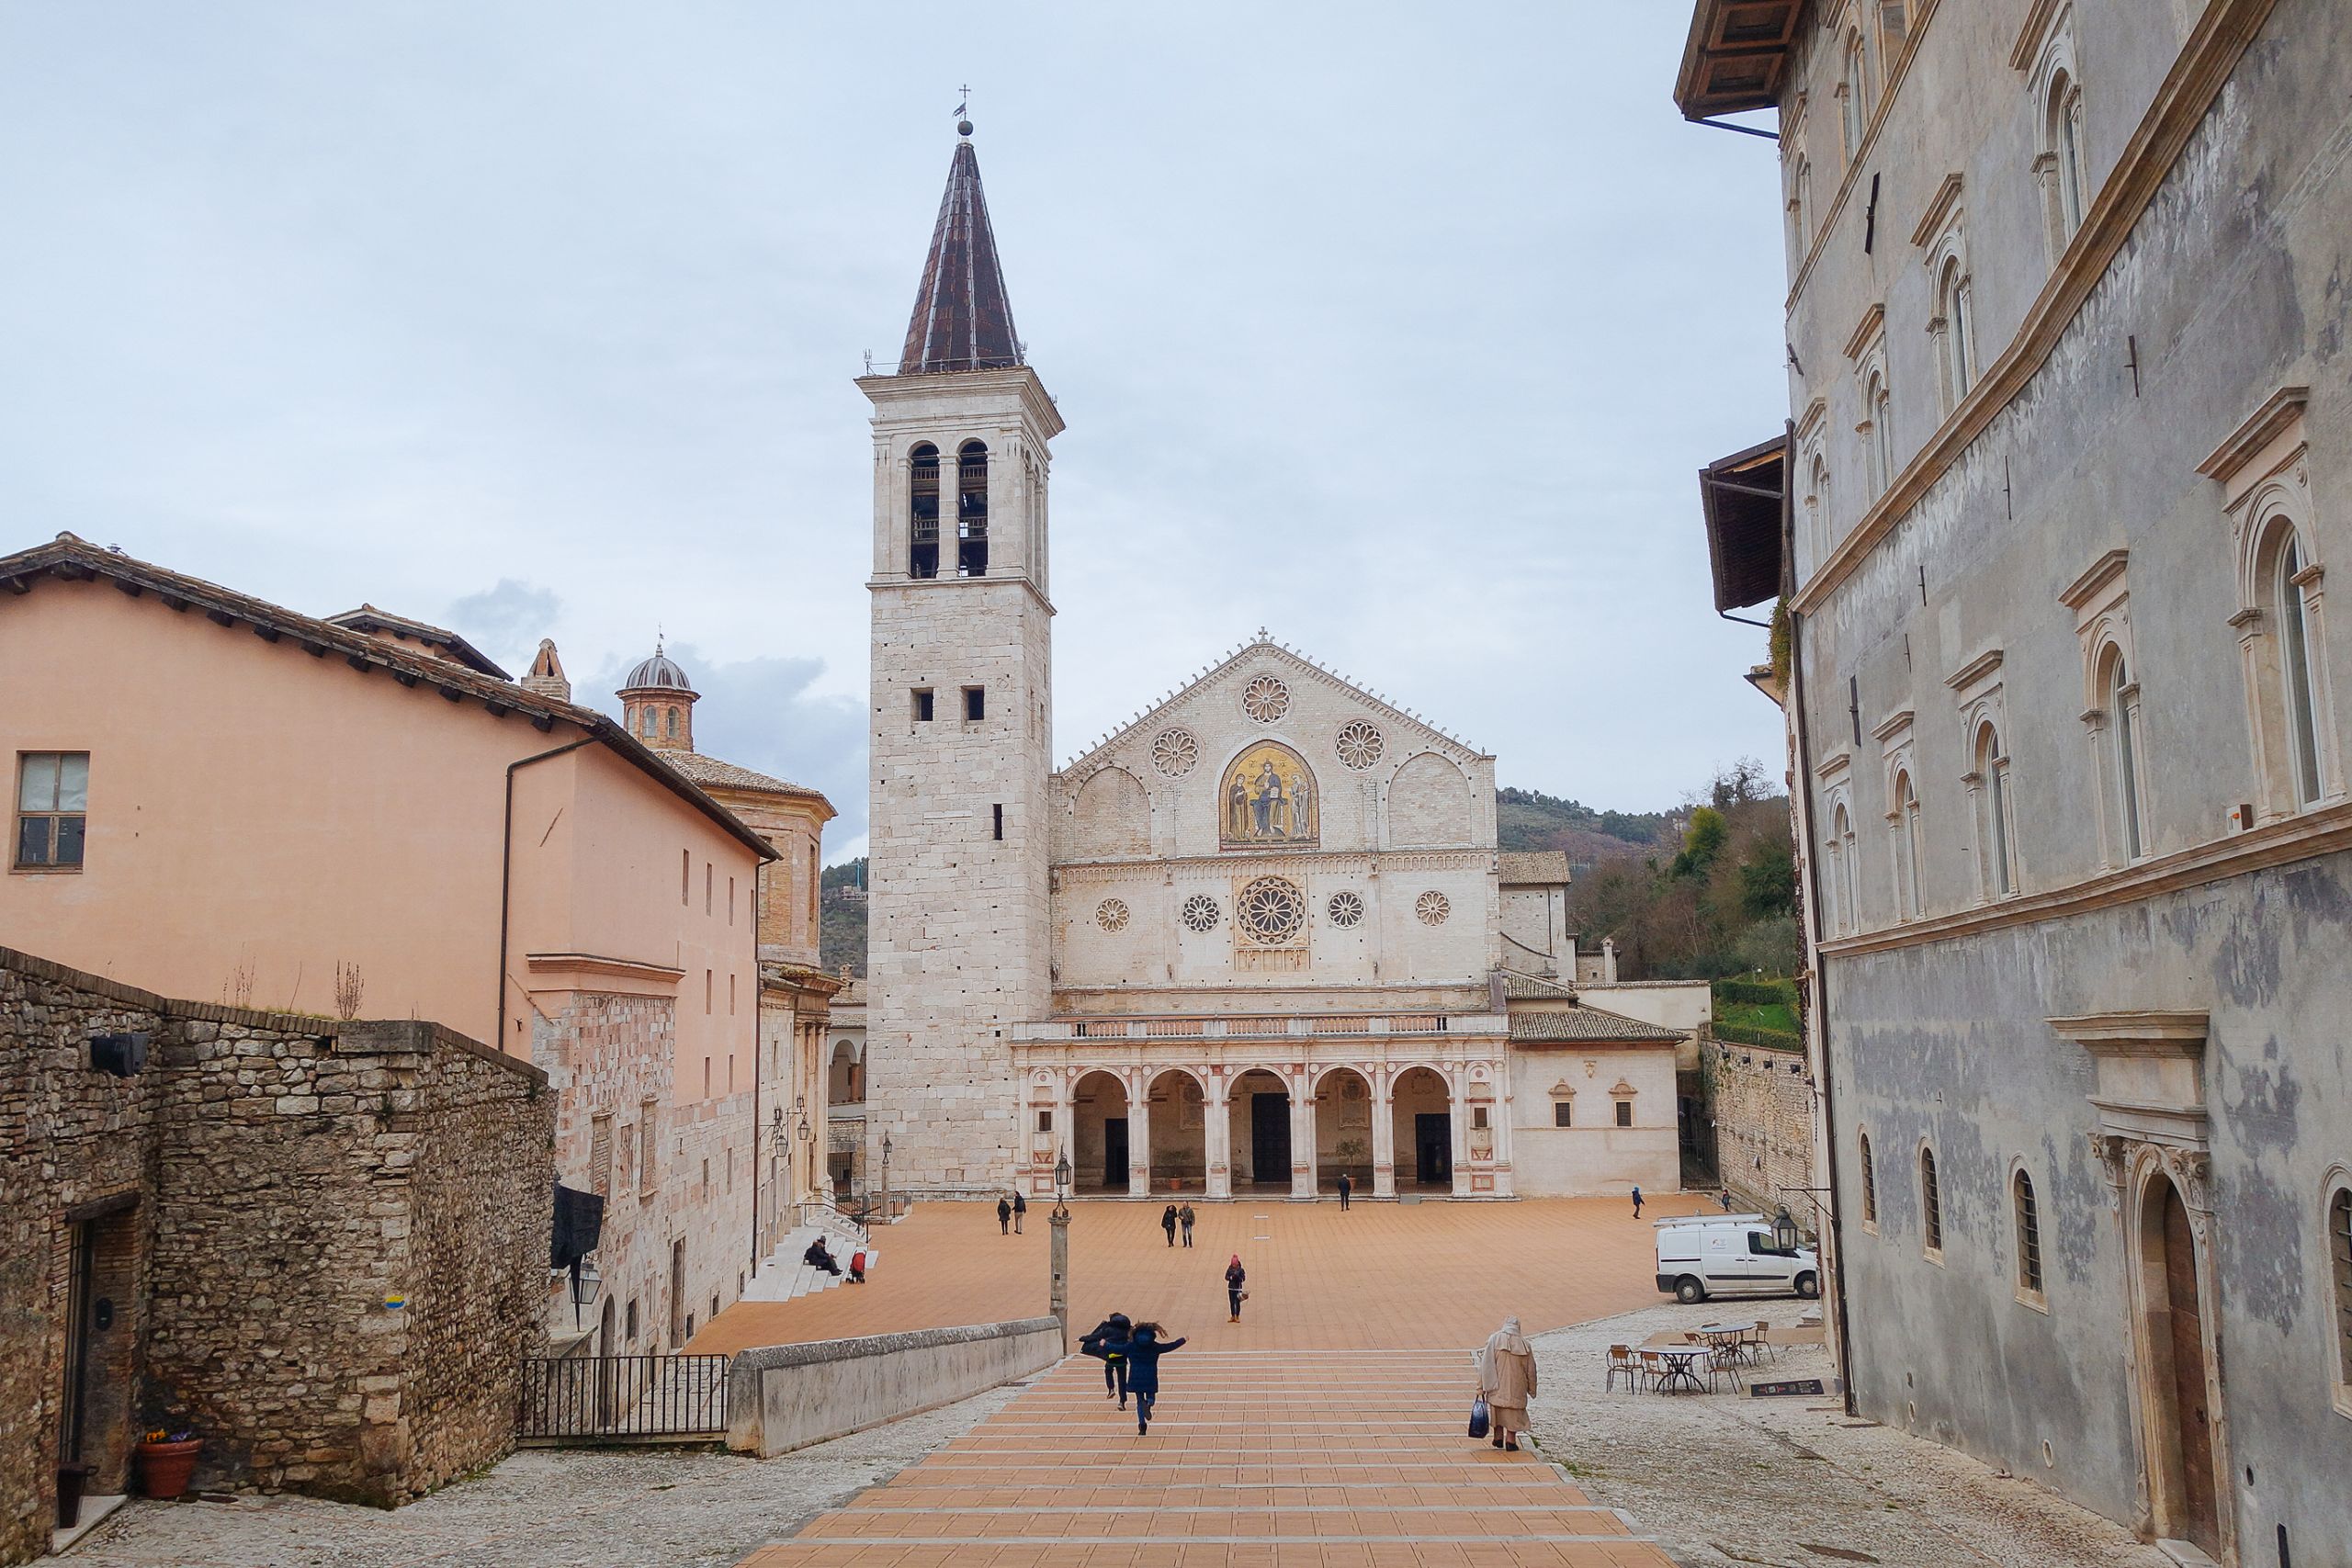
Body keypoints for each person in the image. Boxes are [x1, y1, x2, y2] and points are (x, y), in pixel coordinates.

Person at [1103, 1322, 1187, 1436]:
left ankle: (1142, 1427)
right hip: (1150, 1376)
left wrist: (1105, 1344)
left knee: (1139, 1401)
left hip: (1135, 1376)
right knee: (1151, 1397)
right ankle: (1148, 1403)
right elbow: (1169, 1347)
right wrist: (1183, 1340)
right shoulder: (1154, 1346)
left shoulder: (1131, 1346)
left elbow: (1117, 1349)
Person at [1476, 1316, 1537, 1452]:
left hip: (1497, 1385)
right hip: (1517, 1387)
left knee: (1498, 1412)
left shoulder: (1494, 1340)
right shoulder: (1525, 1345)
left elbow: (1485, 1366)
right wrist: (1532, 1389)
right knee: (1513, 1416)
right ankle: (1510, 1440)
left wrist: (1480, 1388)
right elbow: (1531, 1370)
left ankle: (1498, 1437)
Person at [1080, 1312, 1133, 1407]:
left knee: (1108, 1371)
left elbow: (1095, 1337)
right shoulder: (1128, 1331)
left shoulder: (1108, 1330)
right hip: (1122, 1359)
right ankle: (1122, 1402)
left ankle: (1111, 1388)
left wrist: (1082, 1338)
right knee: (1122, 1380)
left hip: (1111, 1357)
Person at [1224, 1255, 1247, 1321]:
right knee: (1232, 1302)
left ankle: (1237, 1315)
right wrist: (1231, 1277)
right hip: (1231, 1288)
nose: (1233, 1265)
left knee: (1237, 1302)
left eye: (1235, 1264)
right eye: (1232, 1264)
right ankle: (1232, 1315)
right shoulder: (1229, 1269)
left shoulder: (1241, 1270)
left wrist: (1238, 1278)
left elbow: (1243, 1279)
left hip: (1238, 1288)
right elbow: (1226, 1277)